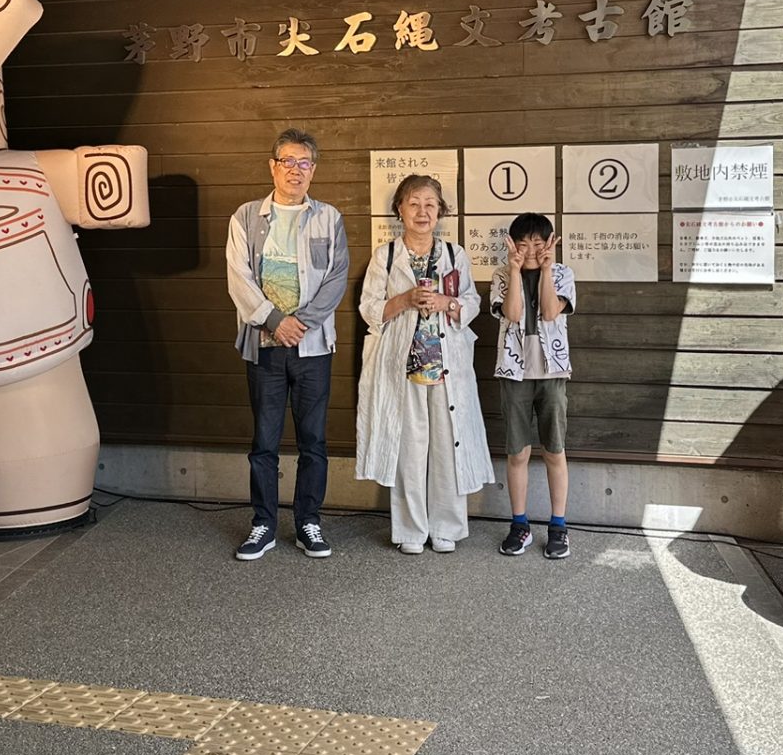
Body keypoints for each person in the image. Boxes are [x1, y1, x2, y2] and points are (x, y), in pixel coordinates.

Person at [225, 129, 349, 561]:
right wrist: (277, 322)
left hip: (313, 348)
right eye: (288, 162)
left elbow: (336, 280)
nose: (296, 171)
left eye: (304, 163)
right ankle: (263, 524)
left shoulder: (329, 217)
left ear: (314, 170)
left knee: (313, 439)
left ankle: (308, 522)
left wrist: (301, 324)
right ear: (273, 166)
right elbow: (238, 280)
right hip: (264, 345)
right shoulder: (244, 217)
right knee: (264, 440)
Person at [355, 175, 492, 553]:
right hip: (403, 369)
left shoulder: (454, 254)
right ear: (399, 208)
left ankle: (446, 528)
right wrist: (405, 300)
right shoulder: (385, 255)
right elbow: (368, 308)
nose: (422, 211)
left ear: (440, 211)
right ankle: (412, 531)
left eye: (430, 204)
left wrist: (447, 303)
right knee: (408, 451)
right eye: (414, 203)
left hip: (447, 368)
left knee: (448, 448)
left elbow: (472, 301)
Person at [490, 213, 576, 559]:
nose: (530, 250)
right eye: (522, 243)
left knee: (554, 450)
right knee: (517, 453)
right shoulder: (500, 276)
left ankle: (558, 526)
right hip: (514, 373)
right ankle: (520, 524)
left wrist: (544, 270)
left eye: (538, 243)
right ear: (511, 244)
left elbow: (552, 312)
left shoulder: (562, 274)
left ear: (549, 243)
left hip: (552, 373)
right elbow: (512, 314)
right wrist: (513, 270)